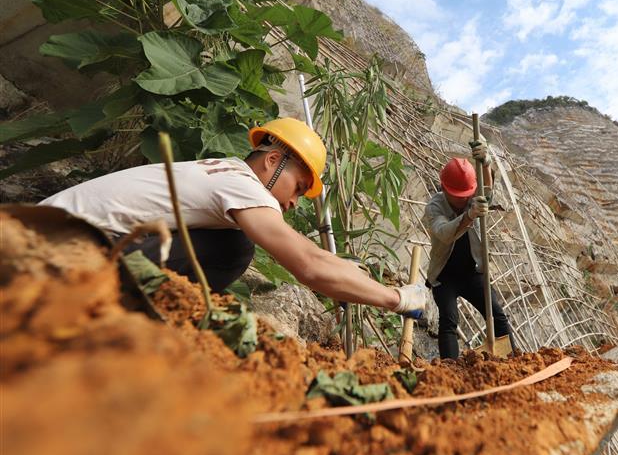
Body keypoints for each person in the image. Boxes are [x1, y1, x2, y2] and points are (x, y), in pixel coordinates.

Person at [40, 118, 427, 315]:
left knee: (231, 241)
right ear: (273, 160)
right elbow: (308, 264)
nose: (295, 202)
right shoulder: (244, 187)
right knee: (236, 248)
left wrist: (344, 272)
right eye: (298, 187)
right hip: (49, 261)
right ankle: (105, 312)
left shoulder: (222, 170)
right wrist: (395, 298)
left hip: (45, 238)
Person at [423, 137, 514, 359]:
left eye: (467, 195)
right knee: (449, 320)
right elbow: (444, 233)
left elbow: (487, 191)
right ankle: (449, 370)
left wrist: (485, 162)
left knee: (497, 315)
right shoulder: (435, 206)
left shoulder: (473, 197)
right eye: (459, 196)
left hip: (473, 272)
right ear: (445, 188)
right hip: (445, 276)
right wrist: (469, 215)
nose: (464, 200)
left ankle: (513, 361)